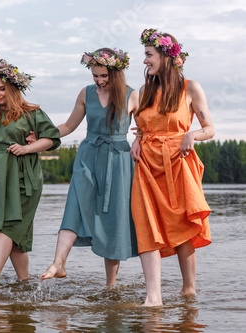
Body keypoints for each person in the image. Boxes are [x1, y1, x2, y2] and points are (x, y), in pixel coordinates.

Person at [39, 48, 139, 287]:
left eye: (104, 75)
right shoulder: (86, 93)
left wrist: (140, 139)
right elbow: (68, 126)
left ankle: (110, 286)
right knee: (74, 204)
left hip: (119, 161)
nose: (100, 80)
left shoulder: (132, 96)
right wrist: (43, 136)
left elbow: (145, 128)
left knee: (114, 219)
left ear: (116, 73)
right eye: (95, 75)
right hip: (88, 155)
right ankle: (58, 263)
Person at [130, 29, 214, 306]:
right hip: (146, 166)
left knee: (182, 225)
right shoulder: (144, 91)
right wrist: (137, 140)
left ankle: (188, 290)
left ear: (166, 56)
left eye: (148, 55)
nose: (145, 61)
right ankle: (153, 296)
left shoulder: (190, 87)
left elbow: (209, 129)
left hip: (178, 163)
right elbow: (142, 127)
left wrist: (192, 135)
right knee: (147, 224)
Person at [0, 56, 61, 291]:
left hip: (23, 177)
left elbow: (52, 139)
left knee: (6, 227)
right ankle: (26, 285)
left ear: (12, 88)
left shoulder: (31, 113)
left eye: (2, 89)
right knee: (16, 240)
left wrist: (28, 147)